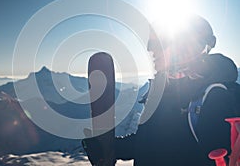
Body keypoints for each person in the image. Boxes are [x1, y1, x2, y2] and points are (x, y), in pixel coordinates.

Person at [83, 14, 239, 165]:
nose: (150, 51)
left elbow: (220, 152)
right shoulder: (164, 92)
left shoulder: (216, 97)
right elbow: (153, 143)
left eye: (159, 44)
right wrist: (113, 148)